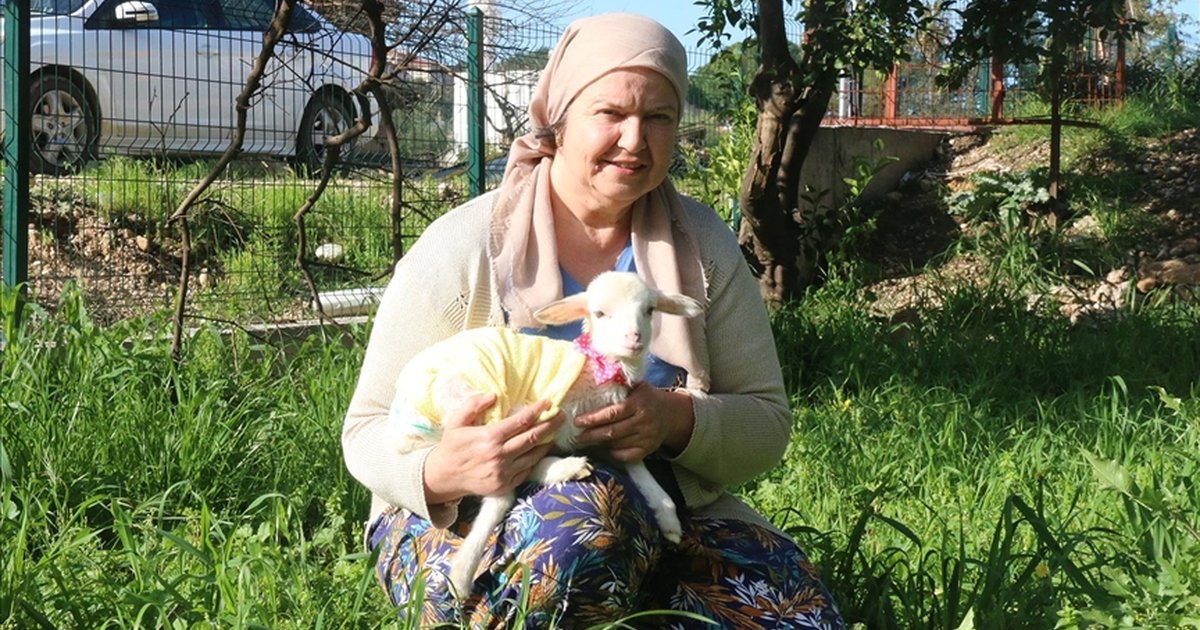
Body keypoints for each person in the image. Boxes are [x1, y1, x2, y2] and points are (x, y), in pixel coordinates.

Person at [341, 12, 844, 629]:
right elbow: (364, 429)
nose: (635, 139)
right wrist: (441, 471)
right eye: (610, 113)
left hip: (663, 512)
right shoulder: (466, 245)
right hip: (466, 516)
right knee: (580, 532)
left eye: (658, 117)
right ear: (559, 120)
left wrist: (671, 419)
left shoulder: (704, 246)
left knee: (797, 620)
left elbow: (766, 422)